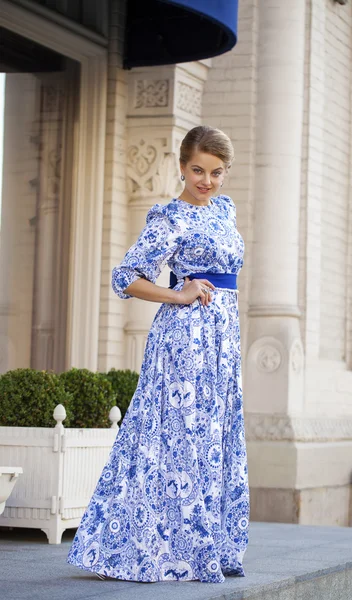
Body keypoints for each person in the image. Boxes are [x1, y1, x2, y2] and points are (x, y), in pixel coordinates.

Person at [66, 125, 249, 583]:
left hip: (223, 342)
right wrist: (180, 294)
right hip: (184, 340)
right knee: (180, 438)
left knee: (213, 439)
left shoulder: (224, 211)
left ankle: (208, 544)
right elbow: (125, 277)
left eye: (216, 172)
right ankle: (154, 547)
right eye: (197, 170)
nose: (206, 180)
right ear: (182, 166)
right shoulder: (169, 218)